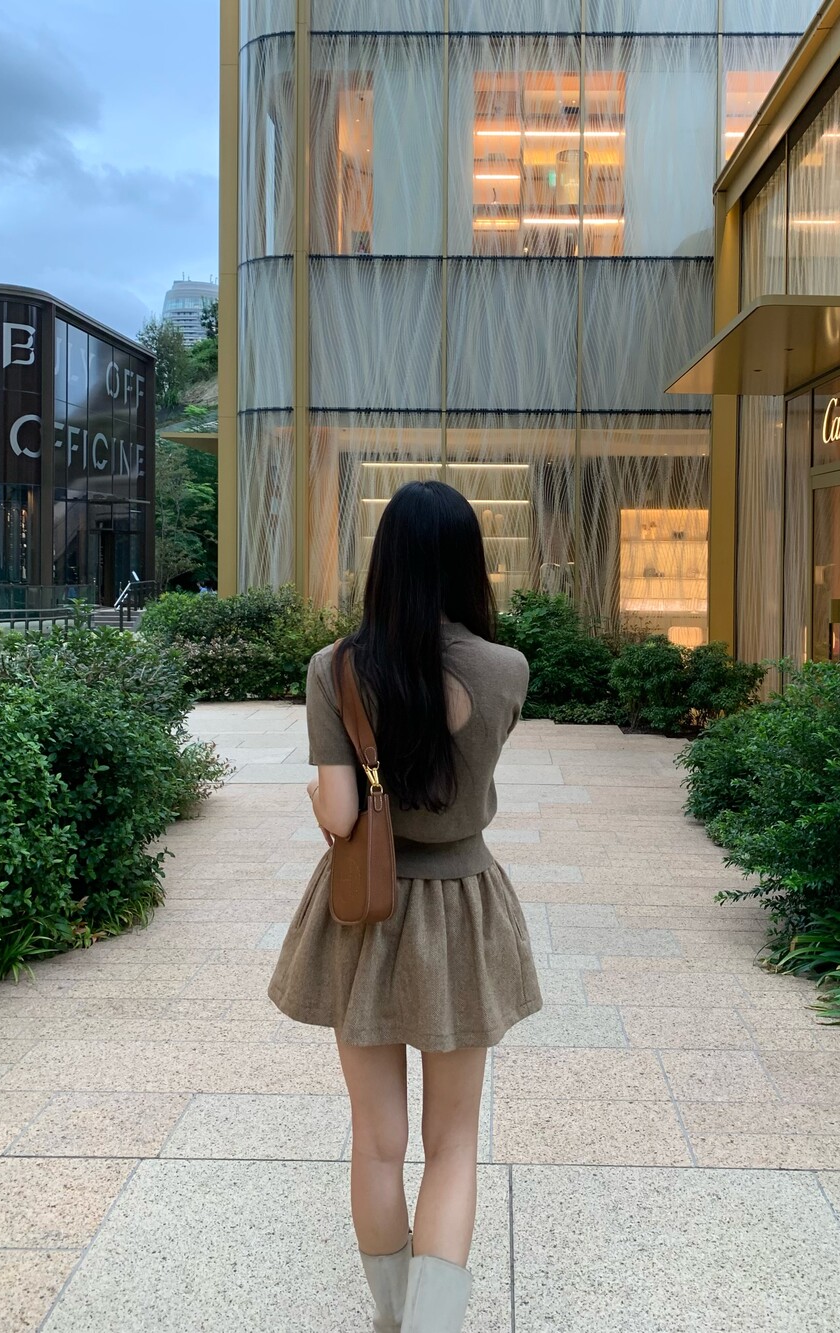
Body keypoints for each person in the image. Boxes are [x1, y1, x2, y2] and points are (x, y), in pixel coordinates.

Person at [268, 481, 542, 1332]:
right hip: (463, 908)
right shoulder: (506, 669)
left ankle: (394, 1315)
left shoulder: (337, 667)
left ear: (384, 561)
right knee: (453, 1141)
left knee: (377, 1138)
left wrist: (326, 790)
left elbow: (340, 815)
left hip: (368, 912)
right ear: (469, 565)